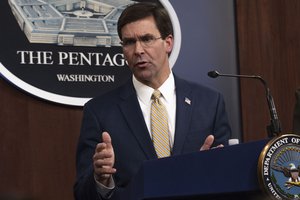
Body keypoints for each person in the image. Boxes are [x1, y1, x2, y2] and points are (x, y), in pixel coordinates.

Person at [74, 2, 231, 200]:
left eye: (147, 39)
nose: (138, 50)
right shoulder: (100, 112)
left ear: (168, 42)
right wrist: (101, 179)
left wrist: (206, 169)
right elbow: (82, 193)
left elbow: (227, 179)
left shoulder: (209, 103)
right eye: (129, 42)